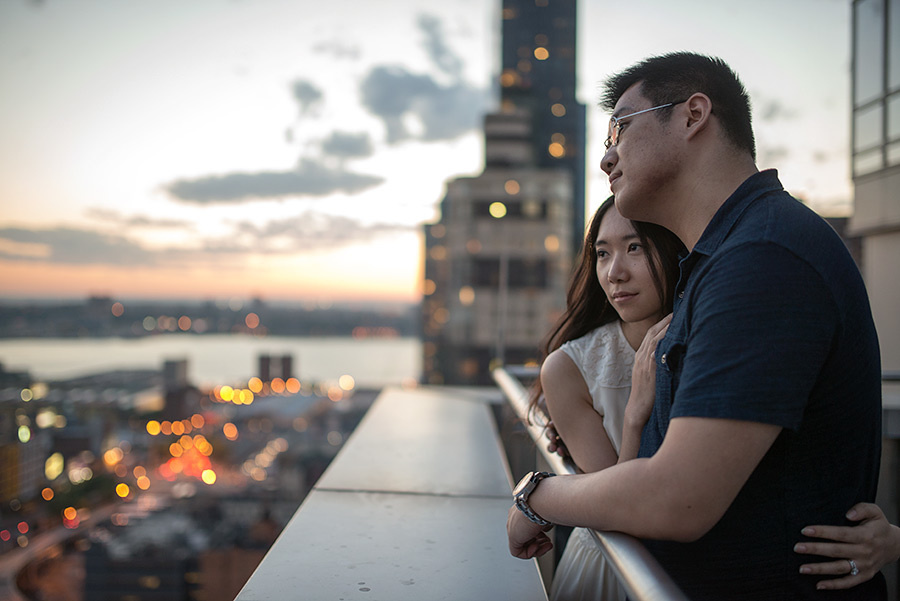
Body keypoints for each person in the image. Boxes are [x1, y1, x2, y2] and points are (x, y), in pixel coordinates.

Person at [507, 52, 885, 599]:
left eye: (620, 128)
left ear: (693, 115)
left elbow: (676, 498)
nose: (606, 158)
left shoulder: (762, 258)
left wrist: (535, 496)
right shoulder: (725, 258)